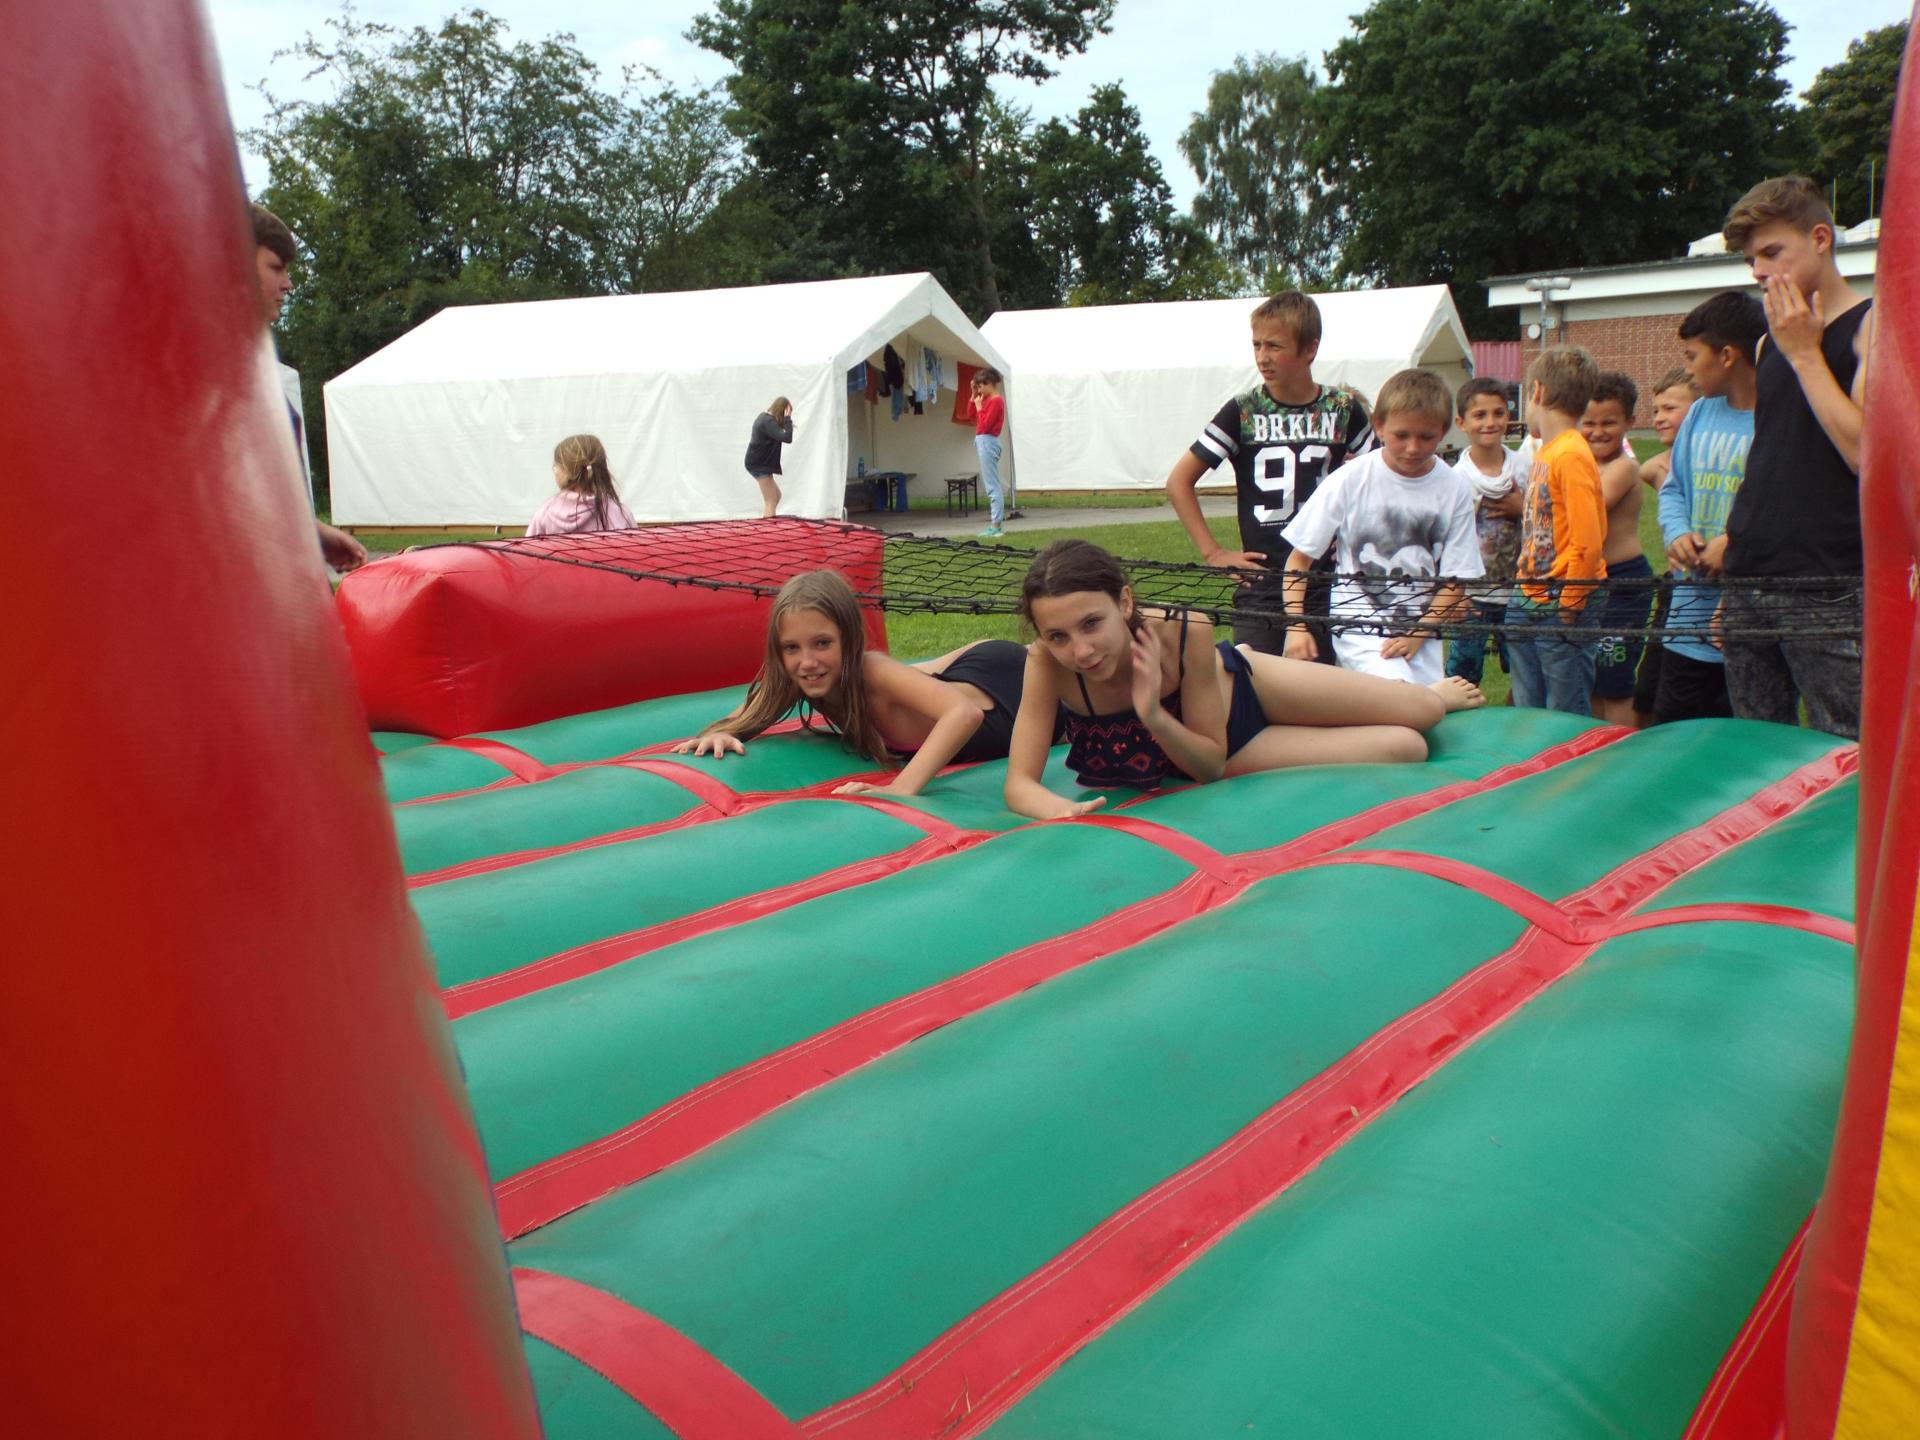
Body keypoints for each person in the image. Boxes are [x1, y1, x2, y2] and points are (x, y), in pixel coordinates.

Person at [1003, 540, 1466, 822]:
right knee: (1407, 747)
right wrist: (1060, 809)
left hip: (1245, 686)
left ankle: (1432, 693)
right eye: (1058, 635)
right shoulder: (1046, 663)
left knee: (1425, 711)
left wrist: (1151, 713)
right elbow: (1019, 784)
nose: (1081, 651)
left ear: (1124, 603)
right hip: (1229, 749)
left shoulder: (1183, 629)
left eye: (1091, 624)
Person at [1719, 175, 1872, 739]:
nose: (1759, 271)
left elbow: (1865, 453)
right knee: (1754, 753)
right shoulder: (1768, 342)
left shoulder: (1874, 327)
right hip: (1748, 576)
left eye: (1772, 252)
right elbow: (1771, 458)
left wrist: (1806, 354)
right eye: (1750, 261)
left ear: (1820, 239)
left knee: (1846, 749)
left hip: (1827, 582)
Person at [675, 569, 1052, 797]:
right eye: (791, 648)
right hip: (963, 672)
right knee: (917, 677)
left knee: (1063, 672)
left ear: (849, 640)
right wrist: (722, 733)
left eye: (822, 643)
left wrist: (901, 788)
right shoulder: (799, 676)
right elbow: (747, 714)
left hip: (1006, 691)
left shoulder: (869, 669)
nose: (807, 661)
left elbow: (964, 713)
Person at [1166, 291, 1377, 659]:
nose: (1262, 356)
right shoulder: (1243, 410)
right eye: (1257, 344)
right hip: (1261, 581)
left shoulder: (1344, 410)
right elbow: (1179, 481)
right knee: (1254, 678)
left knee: (1324, 686)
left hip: (1326, 579)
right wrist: (1214, 552)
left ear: (1310, 349)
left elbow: (1380, 479)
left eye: (1275, 346)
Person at [1277, 369, 1487, 702]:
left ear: (1443, 431)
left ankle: (1435, 704)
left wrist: (1419, 633)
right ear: (1378, 425)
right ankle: (1439, 703)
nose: (1413, 448)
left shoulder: (1454, 488)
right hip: (1359, 630)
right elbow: (1299, 559)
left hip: (1422, 638)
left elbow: (1455, 580)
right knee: (1403, 698)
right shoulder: (1350, 479)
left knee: (1418, 718)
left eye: (1426, 437)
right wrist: (1295, 626)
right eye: (1401, 435)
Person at [1655, 292, 1766, 724]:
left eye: (1692, 356)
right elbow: (1673, 490)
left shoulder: (1777, 417)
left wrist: (1734, 543)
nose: (1687, 369)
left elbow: (1789, 508)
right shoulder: (1700, 413)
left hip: (1748, 625)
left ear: (1727, 356)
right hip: (1687, 622)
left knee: (1743, 742)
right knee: (1674, 736)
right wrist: (1677, 533)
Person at [250, 204, 366, 574]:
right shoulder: (203, 368)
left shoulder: (253, 363)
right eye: (275, 267)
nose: (287, 284)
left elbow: (264, 490)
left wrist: (311, 531)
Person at [1506, 346, 1606, 715]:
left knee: (1566, 706)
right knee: (1527, 702)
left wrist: (1571, 602)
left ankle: (1569, 753)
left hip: (1561, 599)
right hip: (1528, 594)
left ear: (1537, 391)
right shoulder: (1547, 452)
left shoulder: (1570, 455)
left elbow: (1588, 541)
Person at [1444, 377, 1529, 689]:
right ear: (1462, 423)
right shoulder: (1455, 478)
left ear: (1509, 416)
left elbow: (1547, 521)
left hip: (1519, 592)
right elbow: (1446, 540)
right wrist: (1453, 594)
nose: (1490, 423)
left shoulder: (1524, 468)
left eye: (1498, 413)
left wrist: (1523, 508)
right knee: (1463, 673)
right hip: (1471, 596)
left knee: (1525, 671)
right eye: (1480, 415)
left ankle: (1521, 718)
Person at [1579, 373, 1650, 726]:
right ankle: (1596, 745)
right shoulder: (1583, 464)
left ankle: (1623, 748)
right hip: (1589, 580)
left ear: (1629, 422)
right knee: (1591, 673)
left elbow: (1592, 507)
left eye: (1609, 422)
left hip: (1624, 583)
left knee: (1615, 678)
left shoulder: (1624, 467)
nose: (1597, 431)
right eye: (1588, 422)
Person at [1629, 367, 1698, 725]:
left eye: (1670, 409)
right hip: (1672, 586)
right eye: (1656, 409)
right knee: (1647, 689)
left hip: (1705, 586)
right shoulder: (1653, 467)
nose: (1658, 418)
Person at [525, 434, 635, 537]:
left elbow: (527, 549)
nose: (555, 472)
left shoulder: (545, 513)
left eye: (556, 467)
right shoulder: (619, 513)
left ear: (566, 470)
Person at [972, 368, 1009, 539]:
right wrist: (973, 396)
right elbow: (970, 414)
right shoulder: (987, 400)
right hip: (983, 441)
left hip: (988, 441)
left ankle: (996, 525)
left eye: (980, 386)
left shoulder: (996, 401)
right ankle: (995, 524)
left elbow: (985, 425)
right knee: (991, 485)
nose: (979, 390)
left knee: (992, 486)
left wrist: (980, 408)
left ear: (989, 384)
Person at [744, 397, 793, 519]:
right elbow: (787, 438)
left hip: (759, 463)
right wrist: (787, 419)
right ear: (782, 411)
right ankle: (768, 527)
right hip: (758, 465)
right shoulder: (767, 422)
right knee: (771, 500)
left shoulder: (765, 419)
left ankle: (767, 523)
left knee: (776, 496)